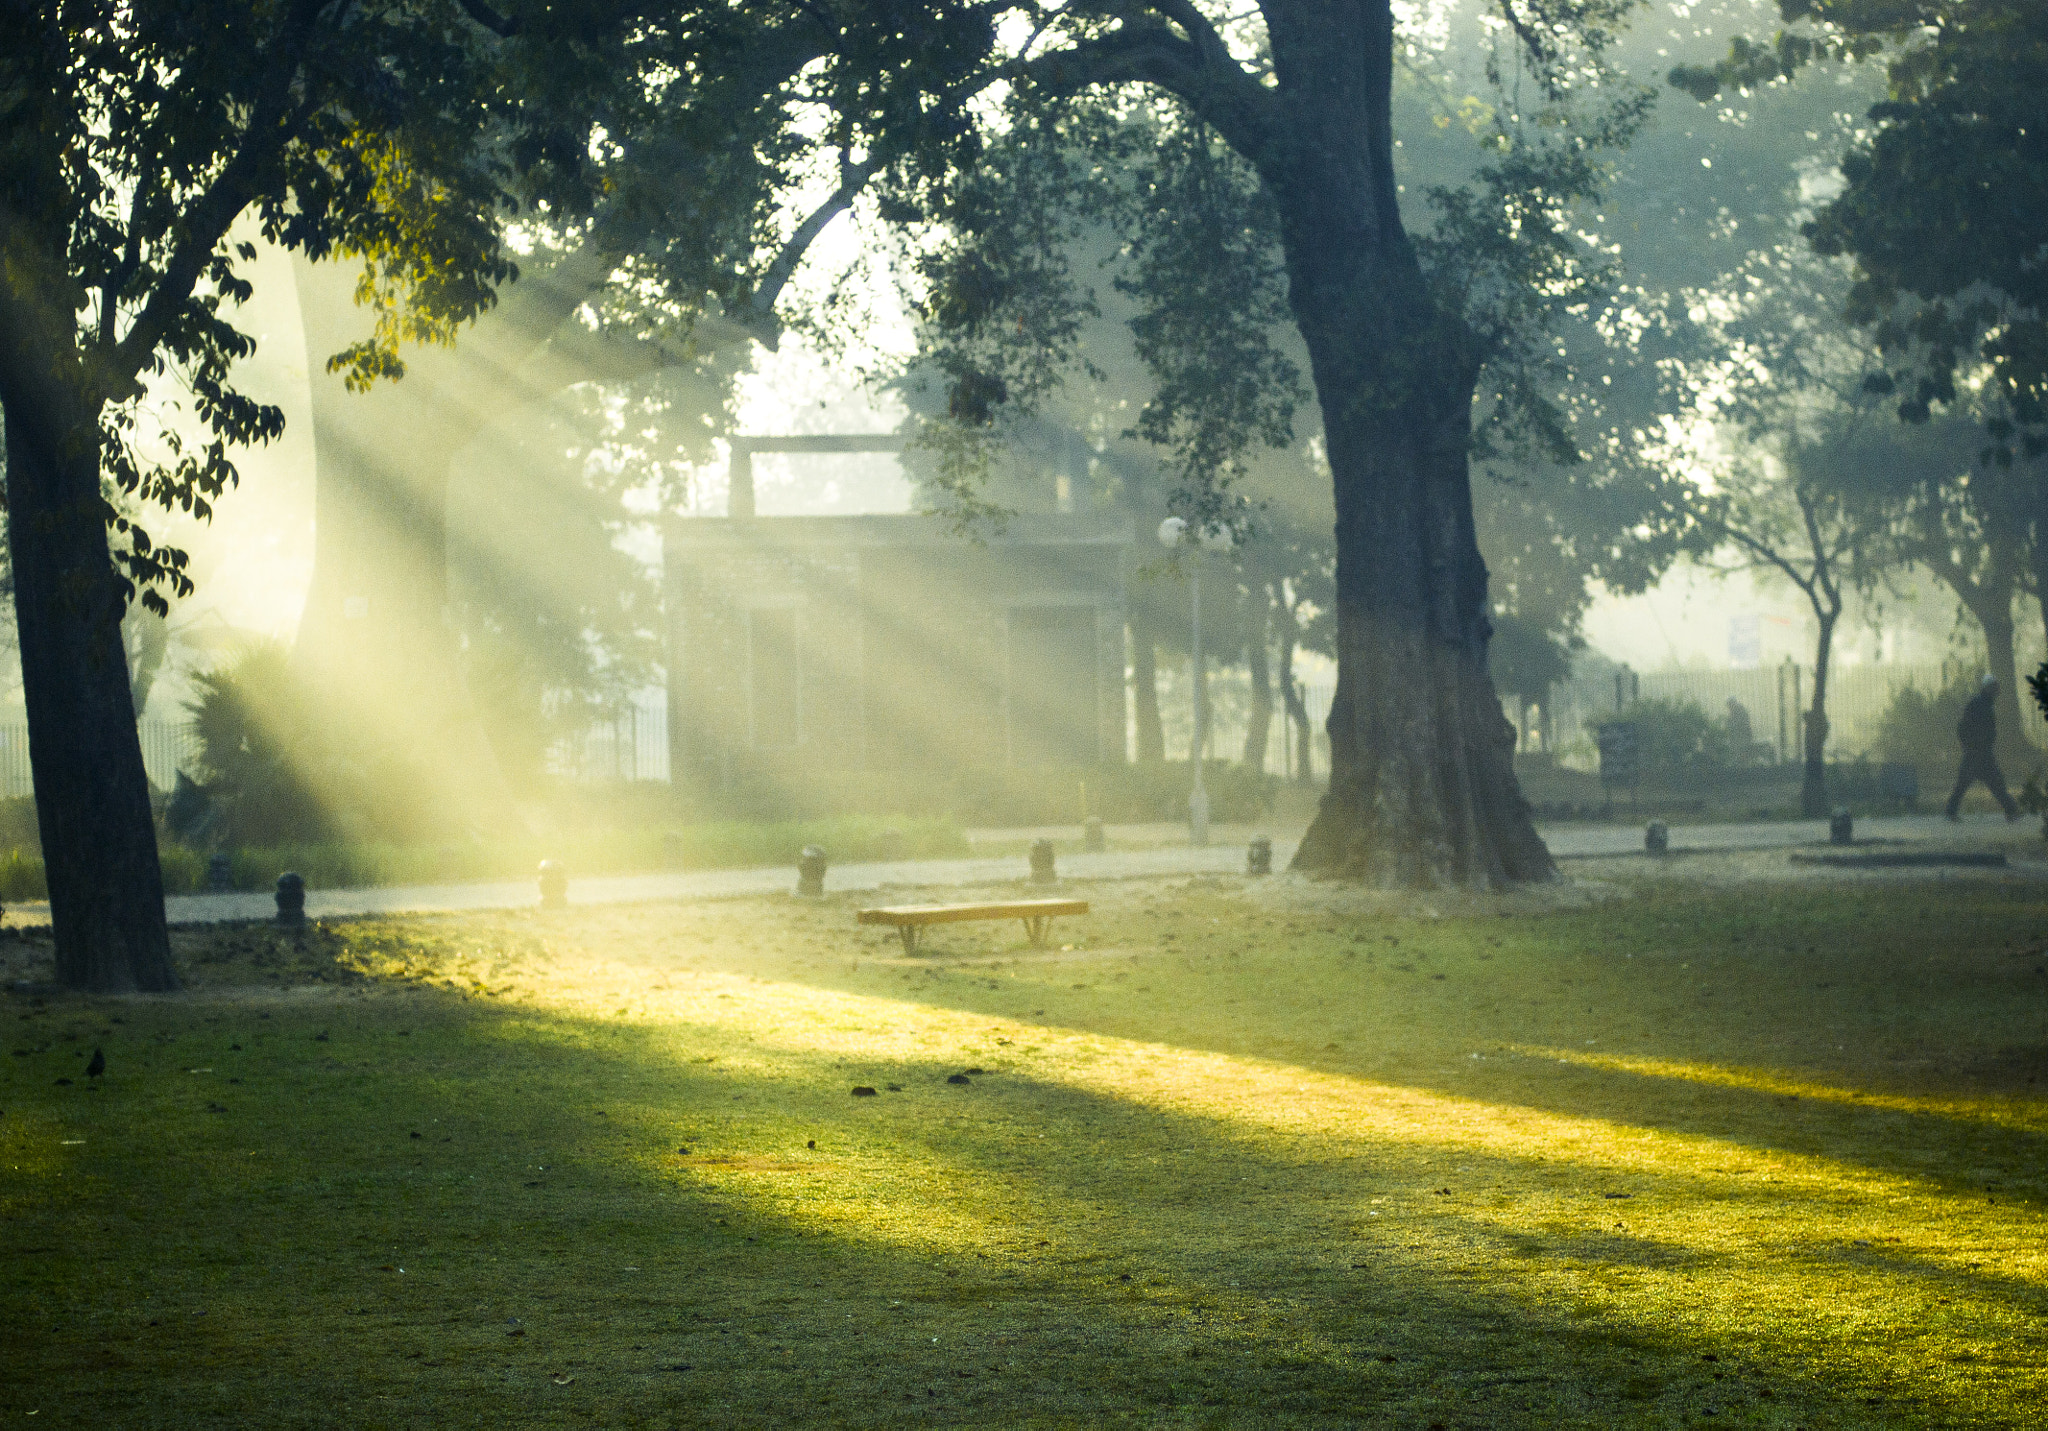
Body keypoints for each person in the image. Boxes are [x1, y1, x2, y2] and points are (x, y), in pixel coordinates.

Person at [1946, 674, 2020, 821]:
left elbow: (1964, 728)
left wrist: (1970, 745)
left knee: (1969, 783)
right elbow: (1965, 728)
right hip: (1978, 753)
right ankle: (2011, 811)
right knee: (1994, 782)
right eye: (1994, 687)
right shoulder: (1980, 705)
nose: (1996, 691)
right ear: (1987, 688)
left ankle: (1950, 811)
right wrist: (1973, 744)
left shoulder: (1982, 704)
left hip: (1977, 752)